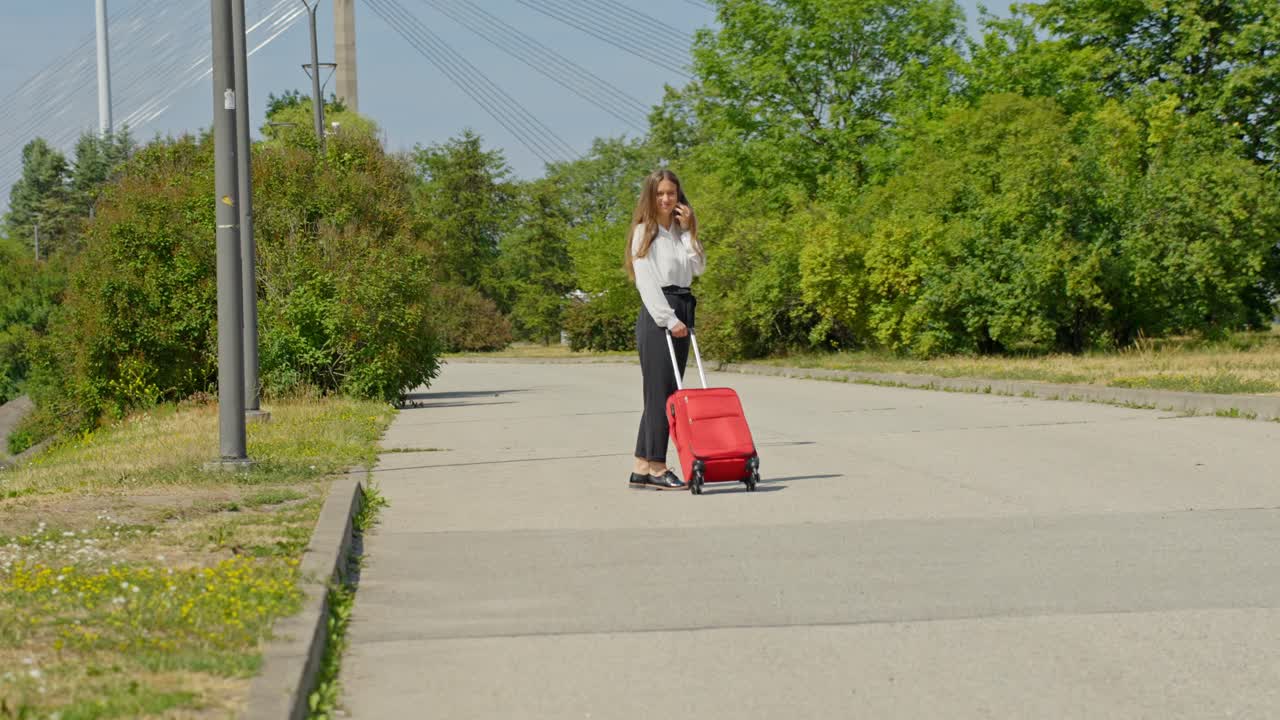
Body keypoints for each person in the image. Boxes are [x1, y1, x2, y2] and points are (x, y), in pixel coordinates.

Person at [626, 169, 705, 490]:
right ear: (650, 196)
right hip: (661, 314)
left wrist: (689, 233)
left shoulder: (678, 233)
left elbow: (698, 267)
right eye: (659, 193)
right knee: (661, 396)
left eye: (671, 193)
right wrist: (669, 320)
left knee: (665, 393)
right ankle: (658, 467)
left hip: (683, 307)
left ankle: (641, 465)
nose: (666, 199)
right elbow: (646, 283)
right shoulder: (644, 232)